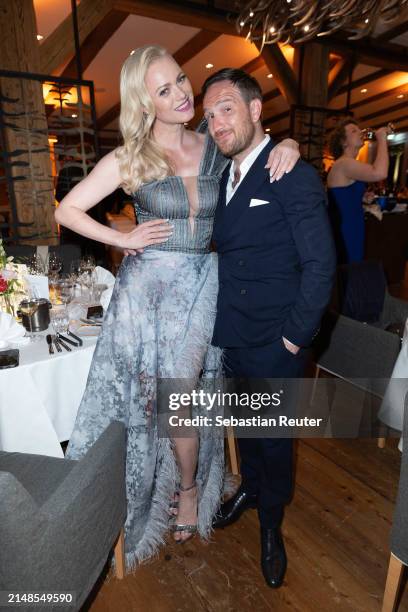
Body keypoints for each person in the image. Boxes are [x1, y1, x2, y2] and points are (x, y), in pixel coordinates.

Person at [55, 45, 301, 569]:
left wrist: (291, 145)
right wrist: (121, 238)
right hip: (146, 294)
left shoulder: (215, 143)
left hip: (204, 284)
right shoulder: (129, 157)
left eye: (181, 80)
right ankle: (152, 484)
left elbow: (255, 145)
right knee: (152, 398)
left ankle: (187, 489)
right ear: (144, 104)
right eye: (164, 89)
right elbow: (67, 209)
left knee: (182, 393)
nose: (183, 94)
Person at [202, 68, 336, 588]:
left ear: (257, 110)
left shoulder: (292, 173)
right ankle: (251, 489)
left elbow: (321, 265)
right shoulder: (222, 175)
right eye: (210, 114)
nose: (217, 122)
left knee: (276, 438)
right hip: (234, 332)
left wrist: (294, 337)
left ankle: (272, 525)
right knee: (250, 428)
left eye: (228, 107)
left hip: (276, 339)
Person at [327, 119, 389, 263]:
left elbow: (343, 195)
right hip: (346, 228)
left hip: (353, 224)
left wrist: (361, 197)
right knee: (349, 270)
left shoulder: (348, 163)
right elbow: (380, 173)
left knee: (352, 270)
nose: (360, 132)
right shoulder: (344, 163)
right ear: (344, 142)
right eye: (354, 131)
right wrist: (381, 139)